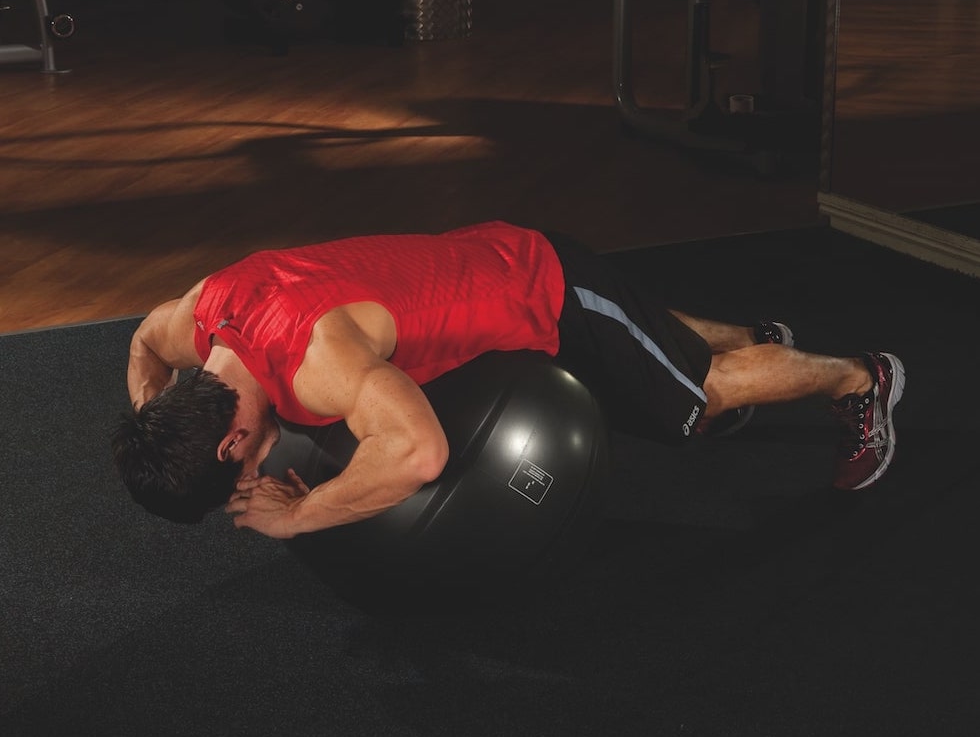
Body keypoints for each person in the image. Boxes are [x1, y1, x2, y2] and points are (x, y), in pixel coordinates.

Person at [112, 220, 905, 539]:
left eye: (240, 475)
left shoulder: (316, 362)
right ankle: (758, 339)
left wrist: (303, 516)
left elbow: (418, 453)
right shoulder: (202, 314)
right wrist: (153, 415)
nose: (255, 480)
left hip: (542, 290)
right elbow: (146, 342)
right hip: (478, 266)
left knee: (701, 403)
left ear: (232, 438)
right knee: (652, 333)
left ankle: (857, 379)